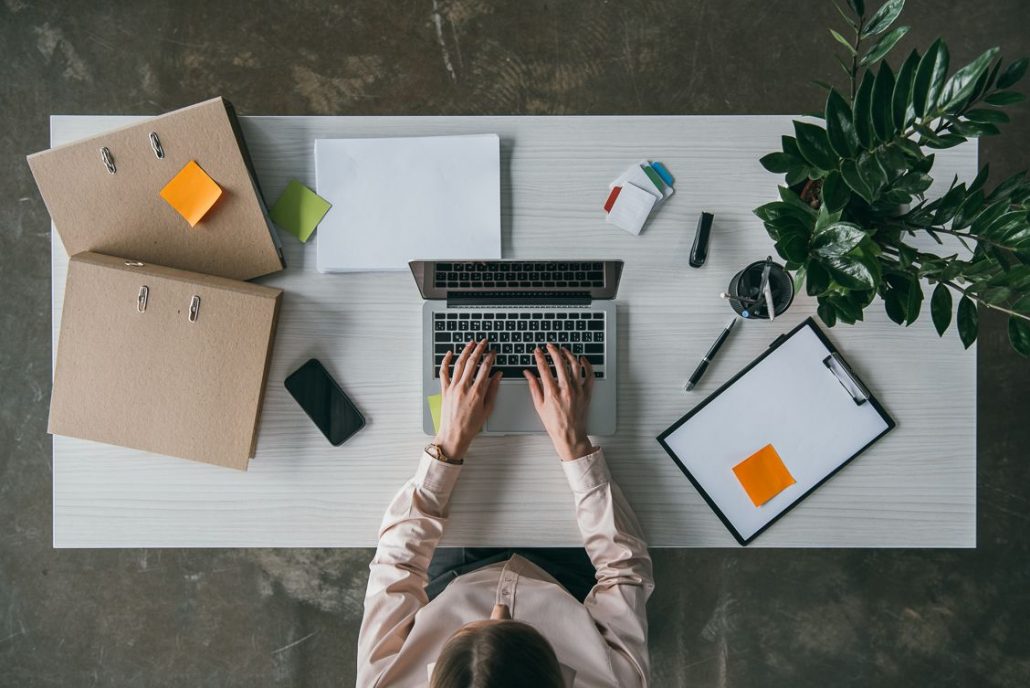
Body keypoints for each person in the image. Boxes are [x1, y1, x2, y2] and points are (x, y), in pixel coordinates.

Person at [356, 339, 654, 687]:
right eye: (519, 625)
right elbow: (623, 571)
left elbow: (397, 566)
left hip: (453, 578)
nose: (499, 606)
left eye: (470, 628)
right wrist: (575, 447)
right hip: (569, 585)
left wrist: (448, 445)